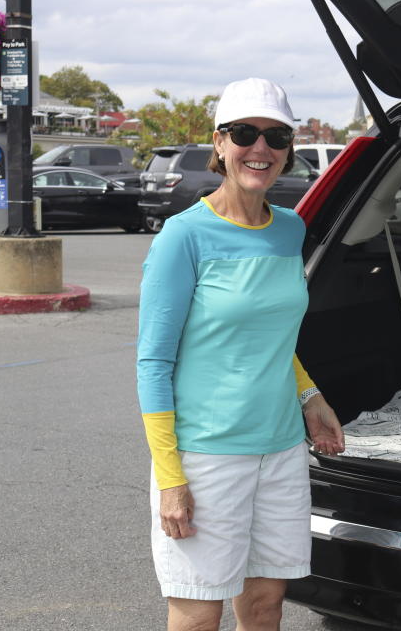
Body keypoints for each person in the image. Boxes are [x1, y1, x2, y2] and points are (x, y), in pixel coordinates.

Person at [136, 77, 345, 631]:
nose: (261, 149)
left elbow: (274, 336)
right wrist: (171, 478)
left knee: (263, 605)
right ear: (220, 142)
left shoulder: (290, 229)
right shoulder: (184, 236)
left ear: (289, 149)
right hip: (206, 457)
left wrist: (310, 394)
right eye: (246, 133)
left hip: (279, 453)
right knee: (197, 613)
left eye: (276, 136)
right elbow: (153, 364)